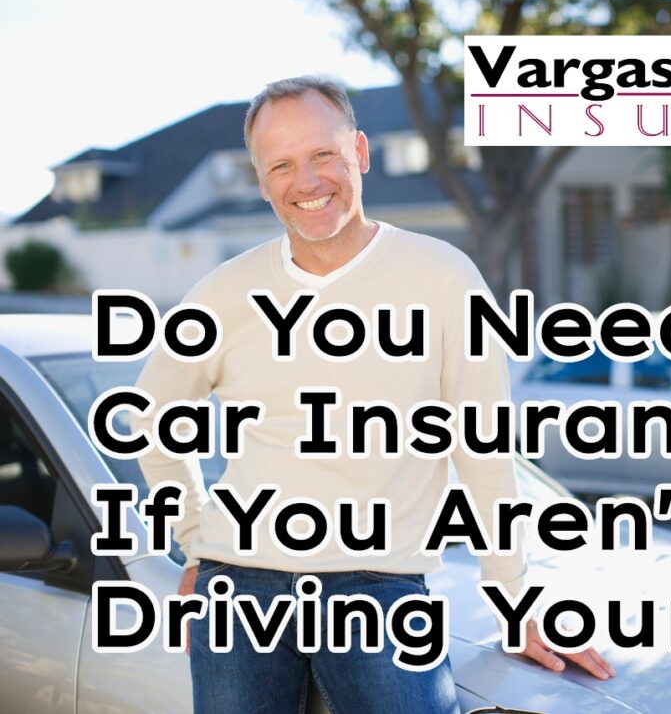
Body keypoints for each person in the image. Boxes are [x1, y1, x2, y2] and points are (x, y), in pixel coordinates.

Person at [133, 75, 614, 714]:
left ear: (359, 152)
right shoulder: (225, 293)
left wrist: (514, 598)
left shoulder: (443, 278)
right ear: (261, 181)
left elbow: (484, 453)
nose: (306, 181)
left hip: (380, 587)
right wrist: (195, 538)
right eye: (281, 164)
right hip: (239, 584)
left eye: (322, 154)